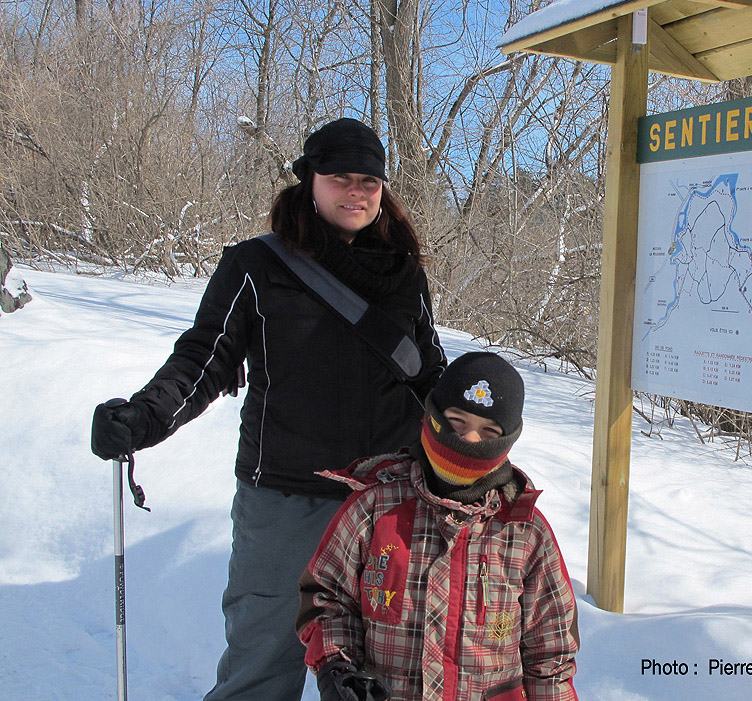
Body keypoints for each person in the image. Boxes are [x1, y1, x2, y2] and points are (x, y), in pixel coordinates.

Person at [90, 117, 446, 700]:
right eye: (340, 177)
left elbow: (429, 375)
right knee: (261, 666)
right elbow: (203, 358)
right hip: (285, 499)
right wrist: (145, 417)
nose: (357, 192)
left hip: (387, 501)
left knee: (381, 674)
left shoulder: (404, 274)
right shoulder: (257, 266)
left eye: (370, 181)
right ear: (309, 179)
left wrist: (475, 432)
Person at [297, 351, 579, 701]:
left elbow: (550, 656)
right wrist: (337, 667)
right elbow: (328, 599)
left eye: (489, 431)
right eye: (458, 421)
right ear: (433, 418)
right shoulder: (374, 507)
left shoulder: (524, 532)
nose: (470, 441)